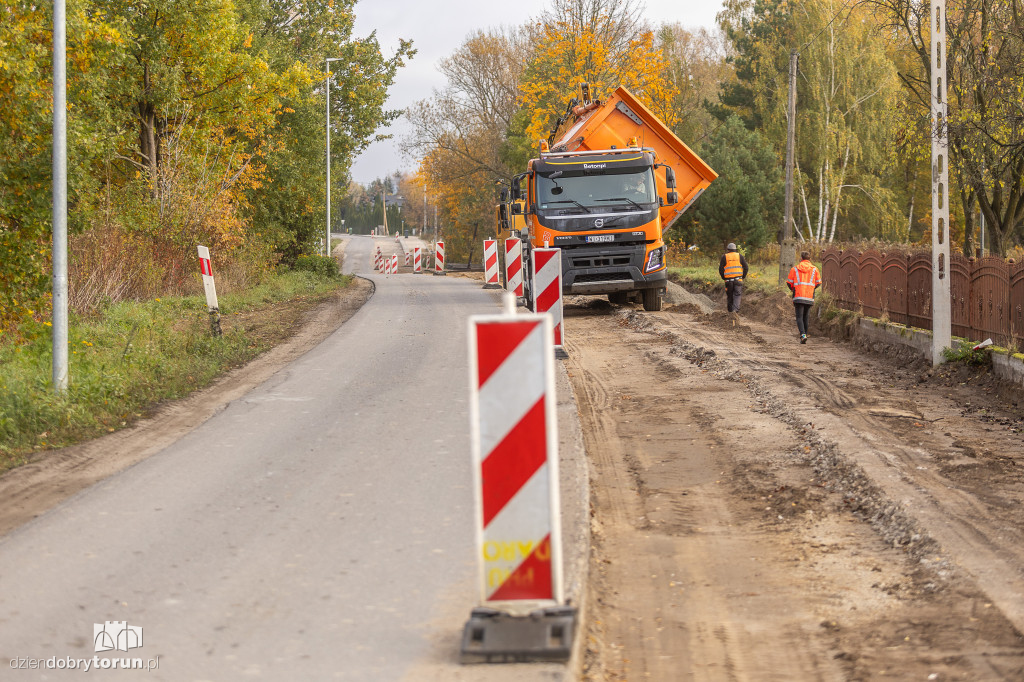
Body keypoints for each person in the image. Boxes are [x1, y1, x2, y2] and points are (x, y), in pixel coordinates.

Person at [787, 251, 822, 343]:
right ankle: (805, 335)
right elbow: (818, 283)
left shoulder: (795, 269)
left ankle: (803, 335)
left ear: (801, 258)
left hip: (798, 296)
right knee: (806, 316)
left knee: (799, 317)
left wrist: (794, 289)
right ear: (809, 259)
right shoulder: (815, 269)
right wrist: (811, 289)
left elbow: (789, 282)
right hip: (809, 296)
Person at [718, 243, 748, 313]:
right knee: (737, 295)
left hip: (728, 281)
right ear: (735, 249)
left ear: (728, 250)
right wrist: (743, 276)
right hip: (738, 280)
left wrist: (724, 278)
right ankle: (735, 311)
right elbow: (746, 267)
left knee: (730, 296)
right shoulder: (740, 256)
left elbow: (721, 270)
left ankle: (730, 312)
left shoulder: (724, 257)